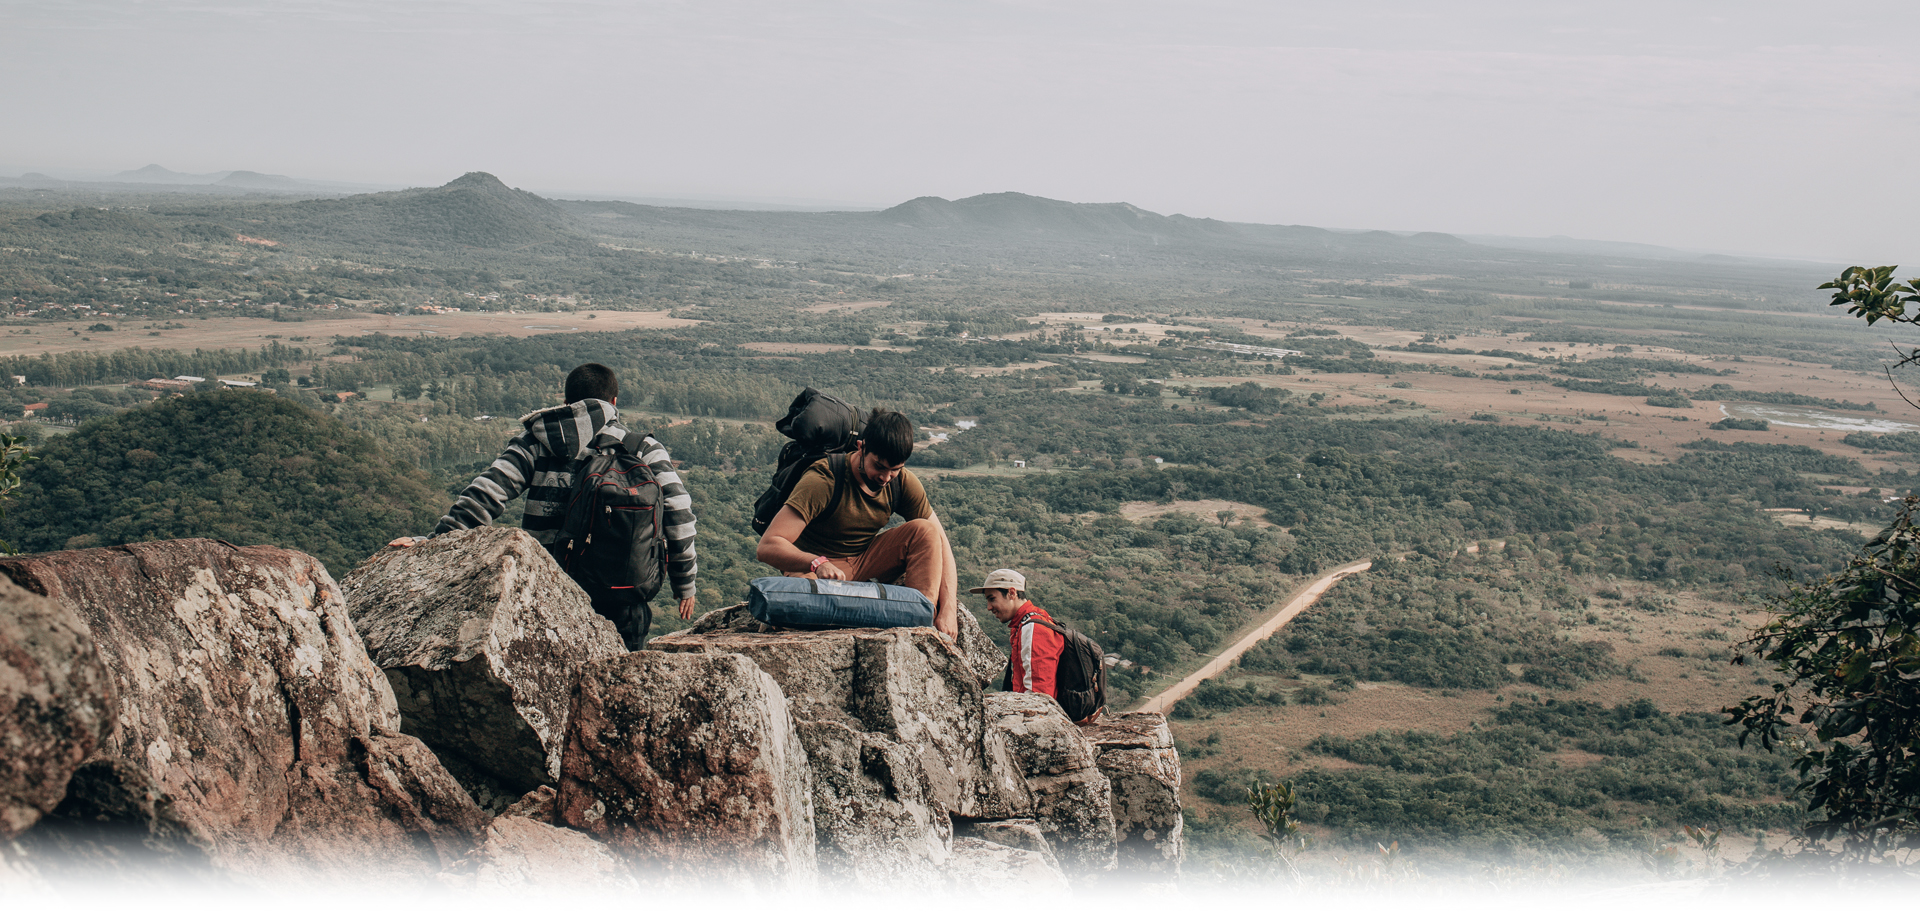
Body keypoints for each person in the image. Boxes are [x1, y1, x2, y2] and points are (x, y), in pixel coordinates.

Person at [416, 363, 698, 651]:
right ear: (614, 403)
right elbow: (679, 514)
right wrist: (684, 582)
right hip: (622, 595)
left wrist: (431, 545)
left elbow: (485, 494)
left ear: (566, 403)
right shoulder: (642, 448)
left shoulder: (537, 442)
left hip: (548, 592)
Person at [755, 408, 959, 638]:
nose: (885, 477)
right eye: (879, 466)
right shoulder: (824, 479)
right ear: (861, 448)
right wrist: (815, 563)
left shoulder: (902, 482)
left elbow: (942, 545)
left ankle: (919, 617)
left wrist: (949, 608)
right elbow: (768, 546)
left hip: (864, 560)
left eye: (895, 469)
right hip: (817, 571)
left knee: (926, 530)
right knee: (809, 606)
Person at [972, 568, 1063, 700]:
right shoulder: (1028, 623)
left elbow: (1039, 694)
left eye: (992, 599)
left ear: (1012, 593)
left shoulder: (1033, 628)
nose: (989, 607)